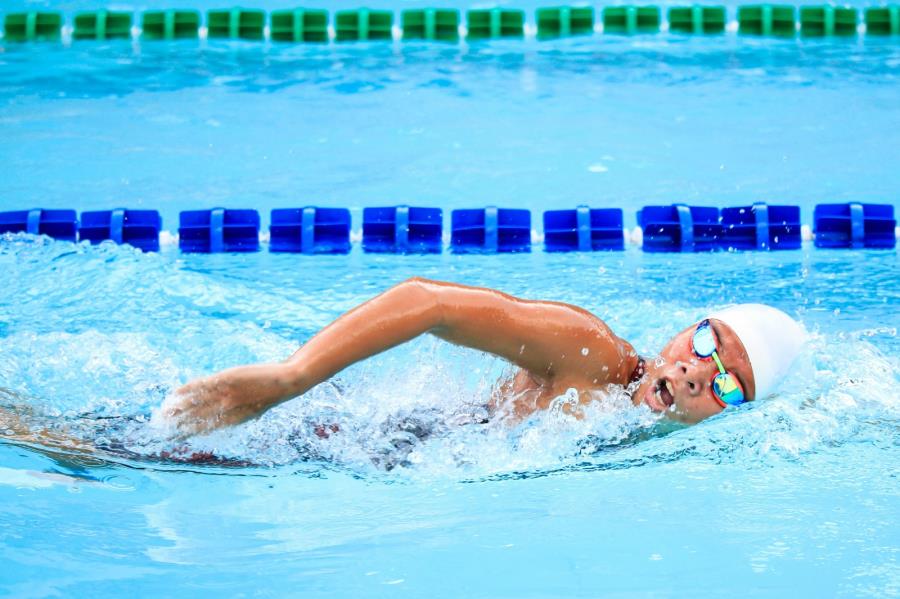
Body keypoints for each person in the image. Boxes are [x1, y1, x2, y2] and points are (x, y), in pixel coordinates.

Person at [158, 277, 806, 438]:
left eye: (728, 380)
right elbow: (428, 301)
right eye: (703, 343)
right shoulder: (592, 352)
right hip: (356, 442)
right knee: (122, 447)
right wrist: (286, 379)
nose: (697, 370)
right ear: (677, 338)